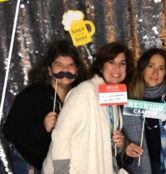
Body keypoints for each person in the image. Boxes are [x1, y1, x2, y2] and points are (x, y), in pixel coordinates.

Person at [42, 42, 135, 174]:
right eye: (111, 62)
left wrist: (117, 144)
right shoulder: (84, 91)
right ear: (101, 66)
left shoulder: (113, 95)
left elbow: (100, 138)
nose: (117, 68)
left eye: (122, 63)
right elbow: (61, 136)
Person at [3, 39, 89, 173]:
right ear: (49, 70)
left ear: (77, 70)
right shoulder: (32, 95)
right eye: (59, 65)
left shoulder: (80, 95)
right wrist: (42, 128)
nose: (65, 69)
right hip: (30, 161)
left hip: (61, 162)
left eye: (70, 65)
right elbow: (10, 132)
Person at [122, 48, 166, 174]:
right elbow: (115, 133)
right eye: (151, 66)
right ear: (142, 68)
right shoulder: (126, 96)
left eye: (161, 68)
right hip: (138, 167)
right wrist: (125, 146)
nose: (155, 72)